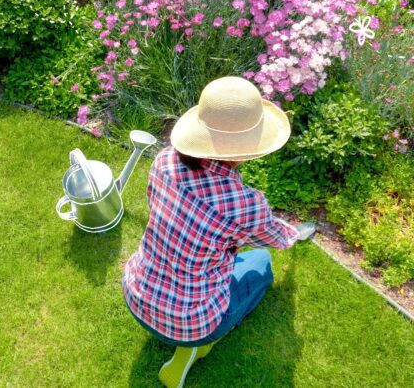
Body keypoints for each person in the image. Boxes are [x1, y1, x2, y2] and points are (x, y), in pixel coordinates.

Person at [122, 76, 316, 388]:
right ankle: (196, 347)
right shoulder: (245, 205)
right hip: (190, 321)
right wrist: (296, 233)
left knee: (227, 259)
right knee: (261, 264)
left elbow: (155, 204)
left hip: (136, 294)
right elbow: (275, 238)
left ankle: (189, 337)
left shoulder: (164, 161)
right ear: (243, 149)